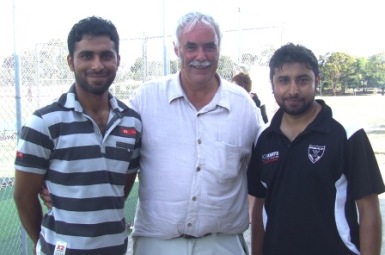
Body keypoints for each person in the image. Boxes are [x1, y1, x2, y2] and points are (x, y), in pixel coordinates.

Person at [127, 12, 262, 254]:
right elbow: (114, 159)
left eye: (209, 46)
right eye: (191, 47)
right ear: (177, 49)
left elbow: (267, 166)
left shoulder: (243, 107)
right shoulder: (146, 100)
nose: (201, 56)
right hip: (157, 244)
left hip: (221, 244)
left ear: (219, 48)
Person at [13, 16, 142, 255]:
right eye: (86, 56)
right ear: (71, 62)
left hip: (116, 249)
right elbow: (23, 195)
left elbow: (117, 192)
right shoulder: (43, 123)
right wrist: (43, 242)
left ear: (118, 60)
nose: (97, 65)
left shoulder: (132, 122)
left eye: (106, 55)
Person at [247, 43, 385, 255]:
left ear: (317, 81)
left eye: (302, 80)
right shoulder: (263, 138)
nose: (293, 90)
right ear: (272, 84)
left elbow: (369, 210)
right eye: (284, 81)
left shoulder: (347, 134)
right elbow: (259, 206)